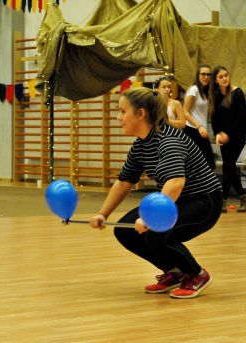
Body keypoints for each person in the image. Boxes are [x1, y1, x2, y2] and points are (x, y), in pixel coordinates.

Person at [89, 87, 222, 299]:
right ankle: (175, 272)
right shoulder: (141, 144)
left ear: (140, 114)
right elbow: (124, 182)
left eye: (123, 111)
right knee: (125, 231)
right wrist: (103, 214)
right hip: (175, 201)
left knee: (156, 233)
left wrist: (151, 217)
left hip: (204, 202)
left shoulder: (169, 140)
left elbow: (176, 182)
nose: (118, 117)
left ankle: (197, 274)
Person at [209, 65, 246, 212]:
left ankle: (223, 200)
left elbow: (241, 119)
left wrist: (228, 134)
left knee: (228, 165)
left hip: (238, 135)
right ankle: (243, 197)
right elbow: (214, 118)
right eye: (221, 77)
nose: (225, 78)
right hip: (224, 136)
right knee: (229, 166)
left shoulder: (237, 93)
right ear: (216, 80)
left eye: (226, 75)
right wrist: (218, 134)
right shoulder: (215, 95)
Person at [183, 64, 216, 170]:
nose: (206, 77)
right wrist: (199, 127)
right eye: (203, 74)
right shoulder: (194, 89)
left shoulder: (205, 92)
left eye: (208, 74)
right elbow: (185, 112)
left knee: (207, 164)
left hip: (201, 131)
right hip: (193, 130)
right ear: (198, 75)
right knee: (206, 164)